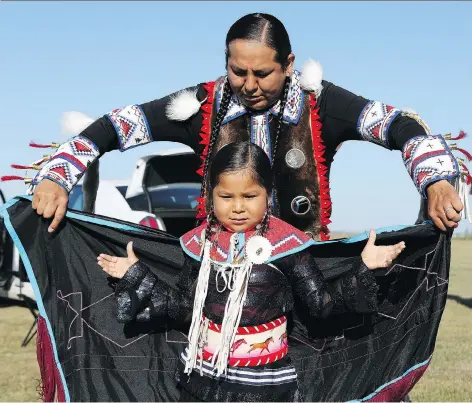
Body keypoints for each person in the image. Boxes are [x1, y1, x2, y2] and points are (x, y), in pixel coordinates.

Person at [6, 12, 469, 241]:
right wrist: (56, 176)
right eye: (237, 71)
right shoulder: (201, 105)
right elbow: (115, 126)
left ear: (288, 64)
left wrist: (436, 182)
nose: (248, 85)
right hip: (215, 277)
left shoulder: (322, 103)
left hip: (301, 271)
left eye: (262, 73)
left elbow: (400, 125)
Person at [96, 141, 406, 402]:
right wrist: (136, 274)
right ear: (210, 195)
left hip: (267, 388)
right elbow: (183, 309)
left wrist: (364, 268)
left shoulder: (288, 245)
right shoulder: (200, 244)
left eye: (250, 196)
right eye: (226, 197)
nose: (238, 207)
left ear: (268, 195)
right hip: (201, 384)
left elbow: (322, 306)